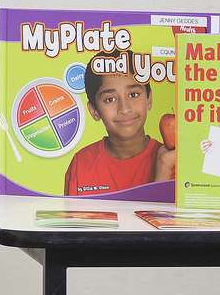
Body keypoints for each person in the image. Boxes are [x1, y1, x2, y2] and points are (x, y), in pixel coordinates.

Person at [64, 59, 170, 196]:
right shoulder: (82, 163)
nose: (124, 109)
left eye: (133, 95)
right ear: (94, 111)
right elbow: (72, 217)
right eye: (110, 99)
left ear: (149, 100)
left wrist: (163, 173)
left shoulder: (169, 161)